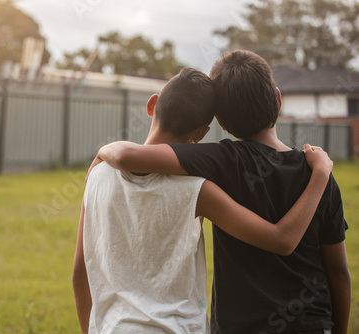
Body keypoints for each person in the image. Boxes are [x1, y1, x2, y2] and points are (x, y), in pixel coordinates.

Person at [92, 51, 350, 334]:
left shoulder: (221, 160)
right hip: (312, 325)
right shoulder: (317, 172)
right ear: (277, 100)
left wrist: (102, 152)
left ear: (222, 123)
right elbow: (338, 272)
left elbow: (131, 156)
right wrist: (322, 174)